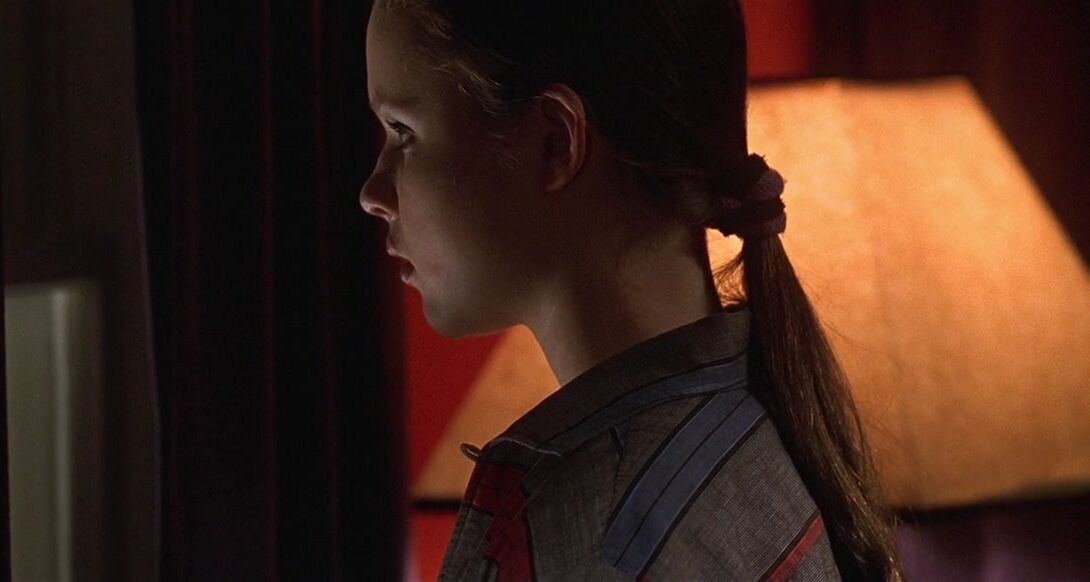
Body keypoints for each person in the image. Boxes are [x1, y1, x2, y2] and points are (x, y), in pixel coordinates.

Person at [359, 0, 904, 579]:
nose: (372, 193)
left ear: (555, 141)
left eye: (403, 132)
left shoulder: (590, 538)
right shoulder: (759, 432)